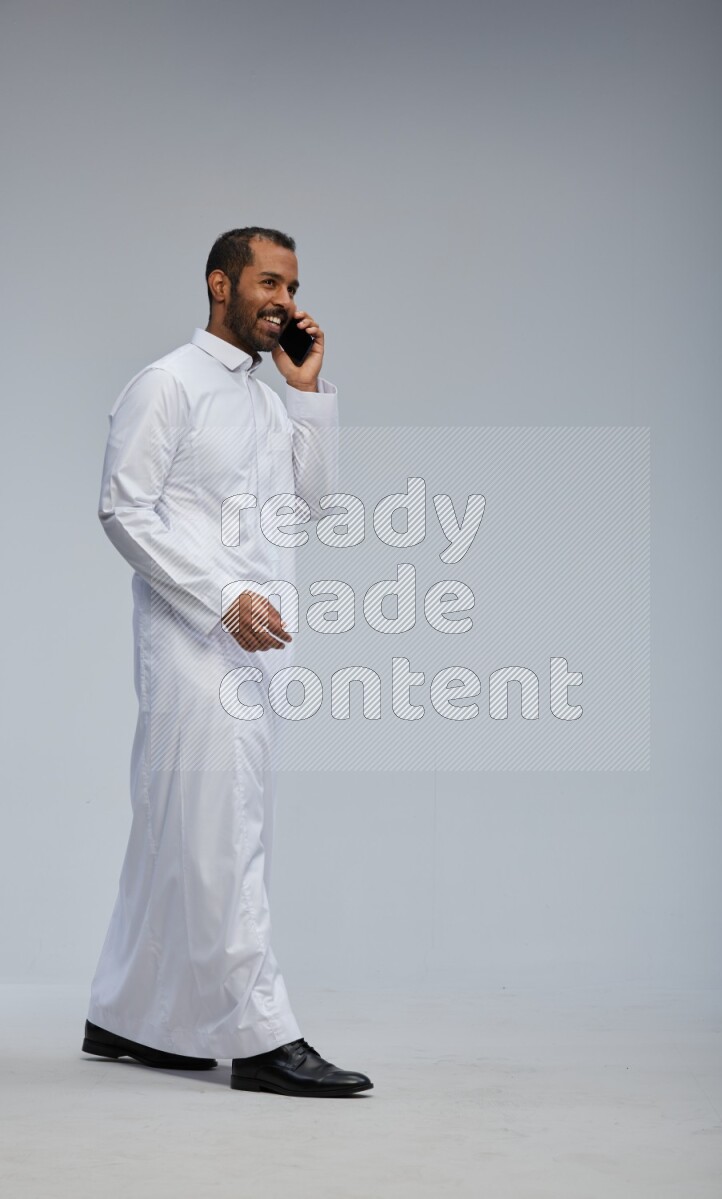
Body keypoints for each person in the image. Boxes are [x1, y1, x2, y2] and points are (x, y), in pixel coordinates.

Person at [82, 226, 373, 1097]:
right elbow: (124, 509)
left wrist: (306, 392)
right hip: (192, 648)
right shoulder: (167, 384)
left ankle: (128, 1014)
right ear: (221, 284)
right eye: (269, 283)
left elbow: (311, 502)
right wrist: (220, 598)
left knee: (177, 831)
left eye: (293, 287)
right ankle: (261, 1036)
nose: (285, 301)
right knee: (225, 834)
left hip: (257, 652)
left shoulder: (265, 400)